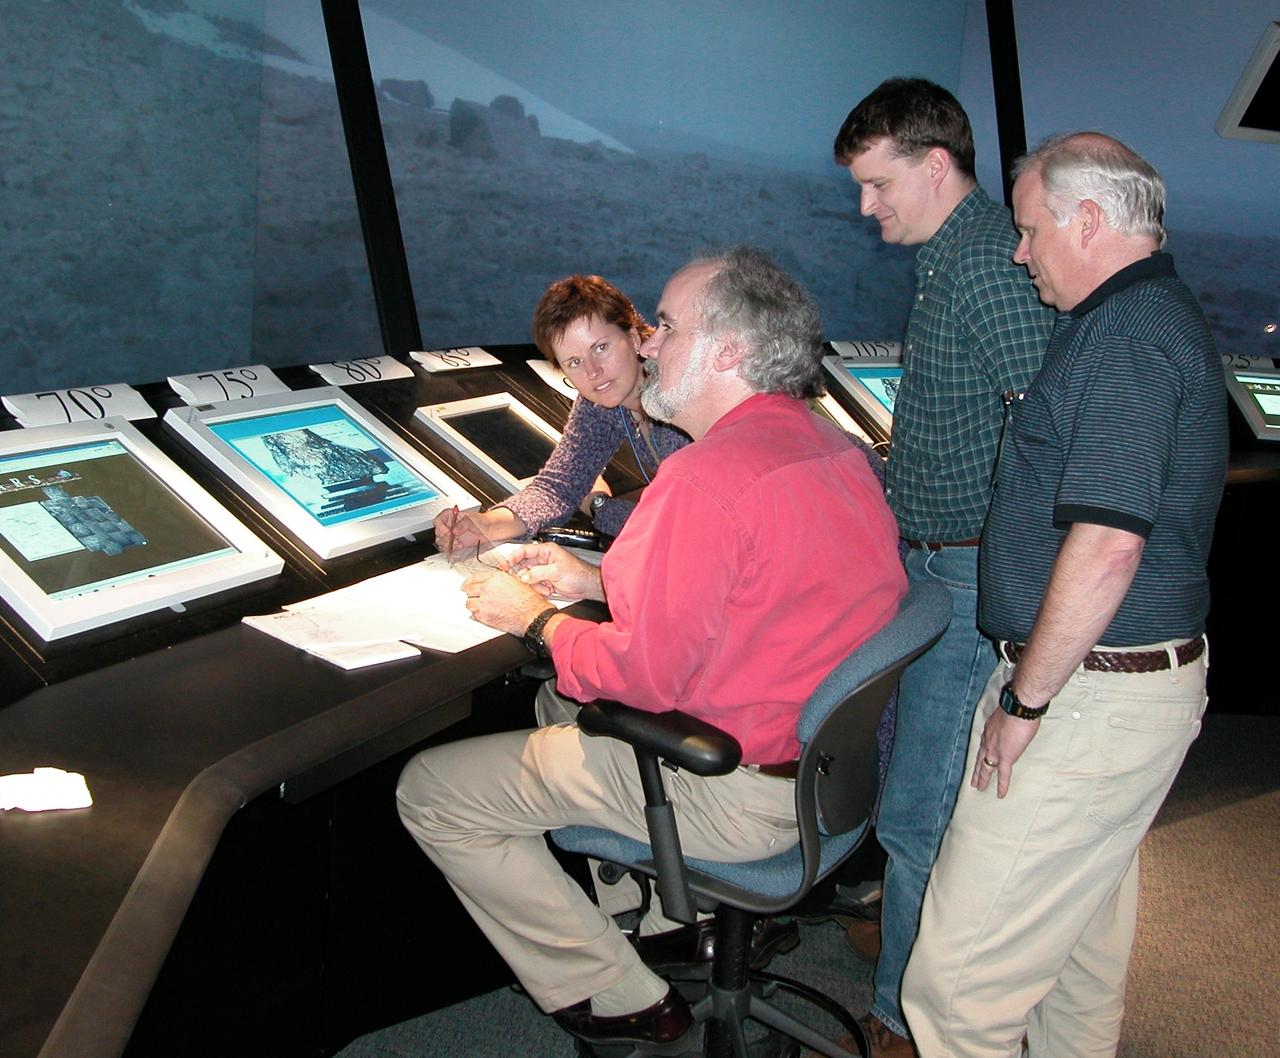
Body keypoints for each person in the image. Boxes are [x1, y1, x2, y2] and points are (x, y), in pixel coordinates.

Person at [396, 247, 907, 1049]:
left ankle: (621, 996)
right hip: (830, 775)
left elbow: (641, 674)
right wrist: (593, 585)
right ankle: (653, 919)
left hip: (738, 787)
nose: (648, 344)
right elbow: (754, 598)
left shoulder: (702, 480)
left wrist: (534, 618)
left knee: (432, 791)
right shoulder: (831, 448)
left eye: (663, 327)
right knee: (558, 701)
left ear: (729, 351)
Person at [900, 133, 1227, 1058]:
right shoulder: (1144, 317)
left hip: (1087, 700)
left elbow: (1111, 544)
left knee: (956, 995)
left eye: (1031, 228)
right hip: (1124, 692)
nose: (1019, 250)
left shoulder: (1129, 336)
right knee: (1076, 970)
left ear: (1087, 222)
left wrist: (1023, 698)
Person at [829, 78, 1052, 1057]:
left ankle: (901, 1020)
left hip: (965, 580)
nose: (864, 207)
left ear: (933, 165)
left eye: (876, 185)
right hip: (935, 564)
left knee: (919, 807)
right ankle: (911, 957)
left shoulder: (983, 268)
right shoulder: (952, 259)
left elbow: (1042, 424)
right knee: (912, 792)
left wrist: (1005, 582)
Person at [433, 275, 689, 552]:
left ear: (634, 336)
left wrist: (599, 506)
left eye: (601, 348)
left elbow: (677, 531)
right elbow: (558, 487)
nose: (593, 372)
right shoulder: (600, 403)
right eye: (575, 362)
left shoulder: (677, 396)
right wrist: (486, 524)